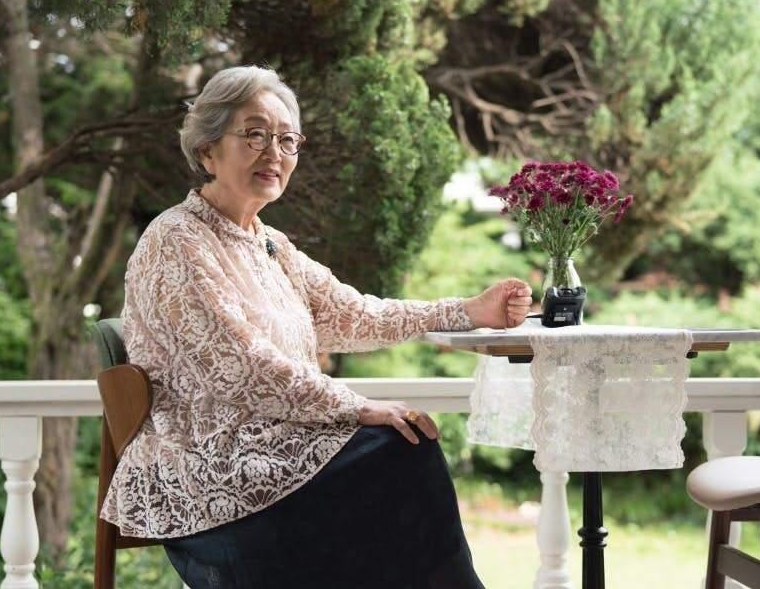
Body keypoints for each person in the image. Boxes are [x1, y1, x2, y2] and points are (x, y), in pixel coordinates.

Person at [99, 65, 533, 588]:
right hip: (210, 483)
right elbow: (241, 367)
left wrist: (466, 311)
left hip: (278, 467)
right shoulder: (175, 239)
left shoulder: (270, 245)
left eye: (287, 140)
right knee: (400, 447)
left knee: (405, 449)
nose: (274, 152)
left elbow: (355, 315)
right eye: (255, 134)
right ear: (207, 149)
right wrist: (358, 406)